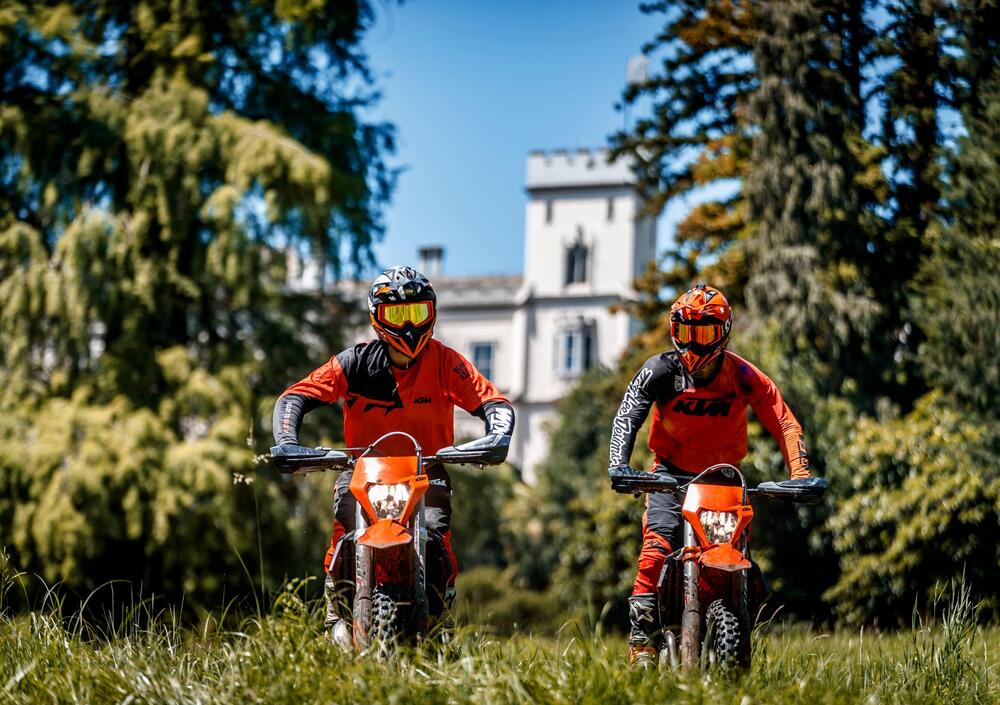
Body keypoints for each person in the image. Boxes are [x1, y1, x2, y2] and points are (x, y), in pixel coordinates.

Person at [271, 266, 515, 644]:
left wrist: (497, 436)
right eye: (397, 314)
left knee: (436, 538)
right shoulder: (354, 362)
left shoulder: (446, 362)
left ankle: (440, 618)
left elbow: (493, 402)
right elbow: (295, 396)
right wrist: (287, 440)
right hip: (362, 471)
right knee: (343, 539)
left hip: (427, 471)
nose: (409, 325)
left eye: (417, 312)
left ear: (432, 313)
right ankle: (336, 611)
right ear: (376, 317)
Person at [607, 284, 811, 666]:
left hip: (724, 479)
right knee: (655, 549)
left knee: (738, 558)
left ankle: (737, 628)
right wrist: (619, 464)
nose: (693, 345)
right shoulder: (658, 370)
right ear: (674, 331)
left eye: (704, 334)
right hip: (668, 477)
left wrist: (800, 473)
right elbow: (628, 415)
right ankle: (642, 641)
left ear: (724, 333)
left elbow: (783, 421)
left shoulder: (743, 375)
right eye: (686, 332)